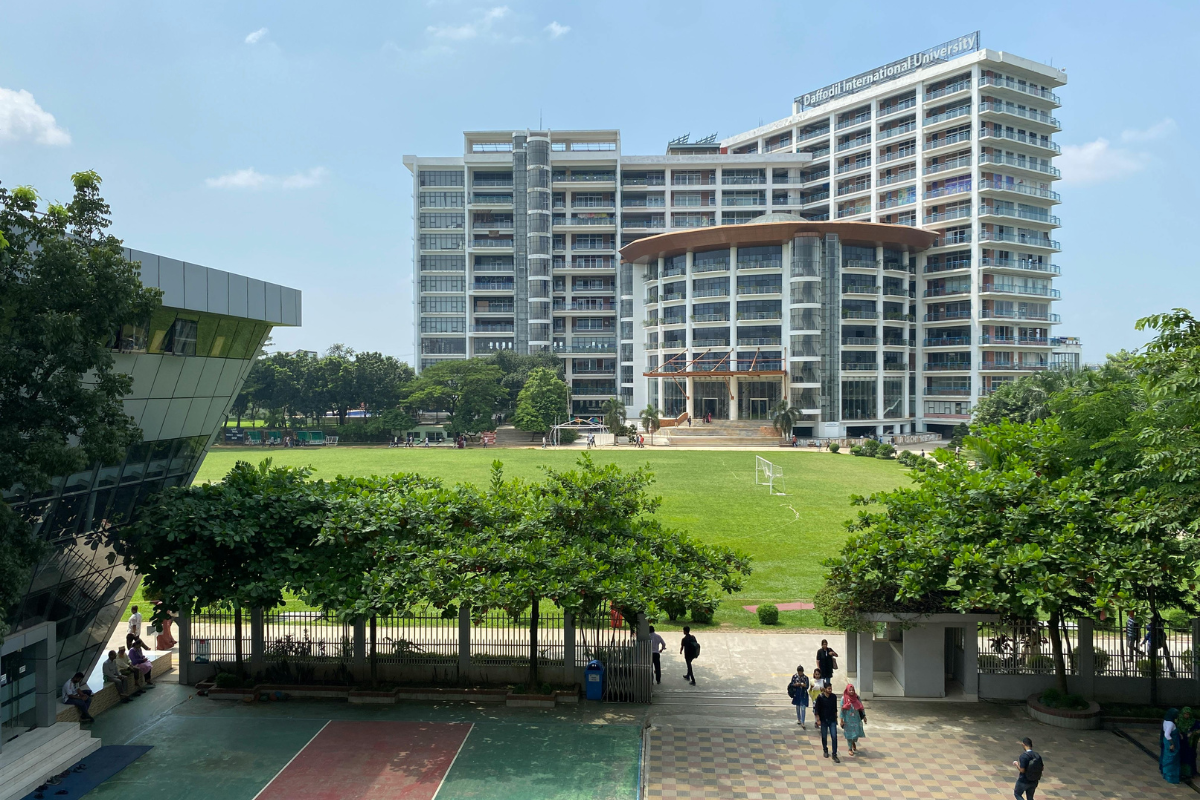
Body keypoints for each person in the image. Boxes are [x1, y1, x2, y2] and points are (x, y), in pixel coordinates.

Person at [813, 683, 840, 762]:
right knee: (824, 736)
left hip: (832, 720)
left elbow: (835, 708)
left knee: (834, 736)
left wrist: (836, 718)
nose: (830, 690)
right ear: (825, 689)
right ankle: (825, 749)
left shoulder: (833, 697)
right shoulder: (820, 697)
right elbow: (816, 710)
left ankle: (834, 754)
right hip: (823, 720)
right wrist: (818, 720)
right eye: (828, 689)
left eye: (831, 688)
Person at [840, 683, 865, 755]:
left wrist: (864, 716)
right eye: (850, 690)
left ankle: (853, 741)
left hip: (856, 719)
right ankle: (849, 748)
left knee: (856, 733)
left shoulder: (857, 698)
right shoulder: (843, 699)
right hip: (847, 719)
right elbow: (842, 710)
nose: (851, 691)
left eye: (852, 690)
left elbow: (861, 707)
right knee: (849, 734)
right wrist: (841, 720)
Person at [1163, 708, 1183, 784]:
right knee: (1172, 760)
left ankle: (1166, 775)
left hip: (1167, 742)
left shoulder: (1166, 721)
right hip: (1171, 743)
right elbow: (1167, 734)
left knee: (1167, 758)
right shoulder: (1170, 724)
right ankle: (1171, 778)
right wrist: (1172, 743)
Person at [1179, 707, 1198, 781]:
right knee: (1181, 757)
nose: (1187, 716)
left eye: (1188, 714)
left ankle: (1189, 773)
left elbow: (1198, 730)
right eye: (1185, 714)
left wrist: (1193, 733)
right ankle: (1181, 773)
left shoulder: (1194, 722)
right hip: (1181, 743)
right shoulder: (1179, 721)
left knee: (1189, 757)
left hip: (1189, 744)